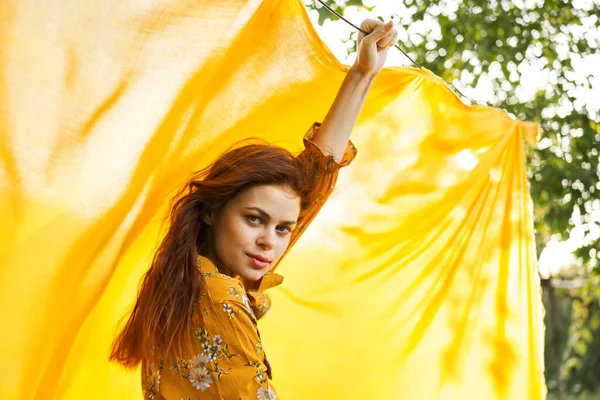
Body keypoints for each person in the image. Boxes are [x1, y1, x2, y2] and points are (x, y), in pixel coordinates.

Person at [110, 19, 398, 400]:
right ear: (213, 211)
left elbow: (314, 175)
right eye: (254, 219)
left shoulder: (189, 275)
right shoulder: (218, 297)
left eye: (284, 229)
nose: (270, 243)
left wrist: (362, 74)